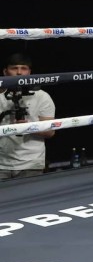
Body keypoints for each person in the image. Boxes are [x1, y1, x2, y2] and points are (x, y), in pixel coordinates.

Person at [0, 52, 56, 180]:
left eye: (23, 68)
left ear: (29, 72)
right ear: (5, 72)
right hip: (1, 163)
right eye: (14, 68)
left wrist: (28, 127)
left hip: (31, 163)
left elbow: (50, 132)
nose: (19, 73)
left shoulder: (42, 96)